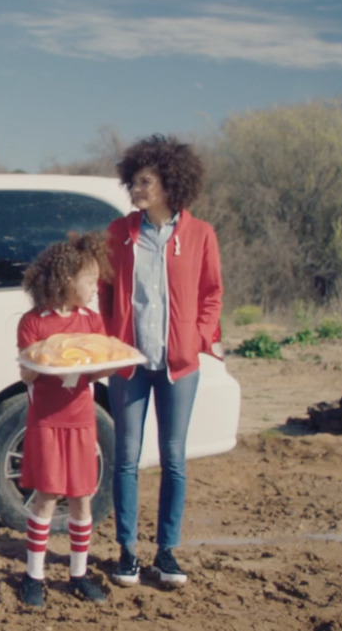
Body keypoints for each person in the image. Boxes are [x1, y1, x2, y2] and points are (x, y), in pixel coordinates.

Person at [101, 134, 222, 588]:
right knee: (126, 460)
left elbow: (211, 295)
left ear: (170, 183)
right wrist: (113, 342)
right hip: (129, 365)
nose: (136, 188)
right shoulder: (120, 233)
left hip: (179, 366)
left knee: (174, 459)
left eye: (144, 181)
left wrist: (198, 337)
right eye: (133, 180)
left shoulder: (200, 234)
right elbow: (106, 291)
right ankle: (127, 553)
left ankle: (167, 553)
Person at [11, 233, 116, 607]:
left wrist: (92, 363)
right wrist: (38, 365)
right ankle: (33, 576)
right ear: (65, 279)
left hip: (82, 420)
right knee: (46, 497)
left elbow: (100, 364)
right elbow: (27, 371)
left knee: (81, 498)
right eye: (88, 280)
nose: (94, 287)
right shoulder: (33, 322)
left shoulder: (91, 321)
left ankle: (79, 574)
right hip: (47, 421)